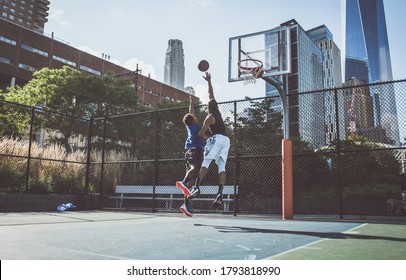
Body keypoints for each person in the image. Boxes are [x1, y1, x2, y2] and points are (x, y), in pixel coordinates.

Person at [189, 72, 230, 209]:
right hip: (226, 140)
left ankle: (196, 188)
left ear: (208, 108)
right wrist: (209, 81)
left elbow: (201, 134)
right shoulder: (217, 111)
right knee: (222, 167)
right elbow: (211, 94)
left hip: (216, 139)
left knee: (206, 163)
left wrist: (203, 131)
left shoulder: (209, 117)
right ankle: (219, 193)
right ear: (216, 106)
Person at [176, 96, 205, 217]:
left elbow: (190, 112)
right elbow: (205, 132)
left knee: (191, 182)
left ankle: (185, 205)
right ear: (193, 119)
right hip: (194, 151)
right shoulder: (197, 127)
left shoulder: (189, 126)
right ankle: (183, 182)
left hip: (189, 151)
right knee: (195, 168)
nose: (195, 116)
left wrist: (191, 102)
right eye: (193, 116)